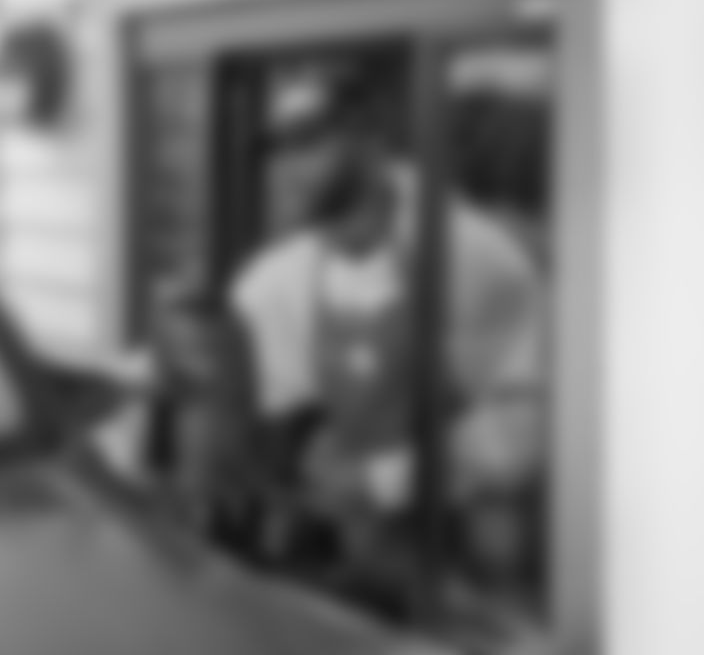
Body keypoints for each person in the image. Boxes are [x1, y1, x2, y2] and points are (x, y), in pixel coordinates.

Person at [228, 118, 548, 603]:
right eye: (315, 216)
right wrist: (310, 449)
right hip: (366, 521)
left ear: (378, 170)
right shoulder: (282, 276)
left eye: (348, 211)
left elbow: (521, 429)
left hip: (476, 517)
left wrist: (385, 479)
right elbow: (286, 400)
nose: (336, 235)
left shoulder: (476, 260)